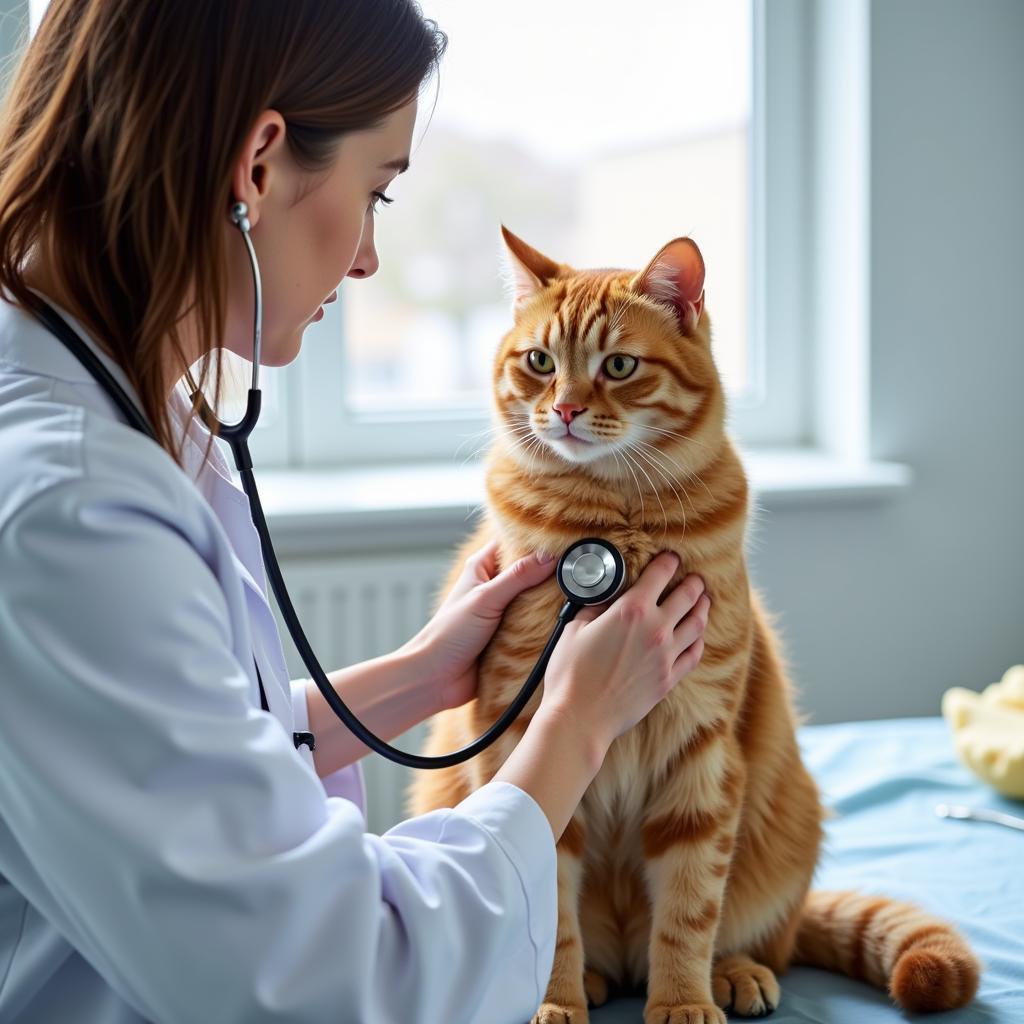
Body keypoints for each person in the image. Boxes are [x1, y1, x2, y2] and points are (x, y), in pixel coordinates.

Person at [0, 2, 710, 1022]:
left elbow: (180, 752)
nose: (370, 256)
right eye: (376, 192)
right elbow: (332, 980)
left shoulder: (104, 400)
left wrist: (424, 674)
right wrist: (576, 725)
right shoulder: (68, 508)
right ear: (259, 165)